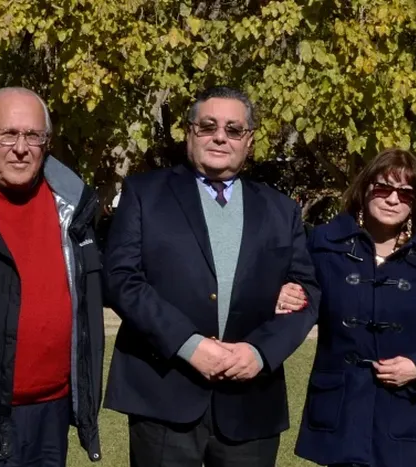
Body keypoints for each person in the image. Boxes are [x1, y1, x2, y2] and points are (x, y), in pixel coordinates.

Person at [102, 86, 321, 467]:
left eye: (233, 129)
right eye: (208, 126)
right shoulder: (144, 193)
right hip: (164, 393)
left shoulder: (281, 209)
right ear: (189, 132)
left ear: (248, 141)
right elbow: (122, 279)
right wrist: (189, 345)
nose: (220, 137)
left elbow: (307, 294)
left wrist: (260, 352)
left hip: (251, 402)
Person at [287, 148, 416, 467]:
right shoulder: (324, 243)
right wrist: (288, 292)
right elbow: (298, 290)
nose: (393, 199)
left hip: (404, 410)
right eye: (383, 188)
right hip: (340, 409)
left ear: (415, 201)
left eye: (405, 192)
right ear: (365, 188)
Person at [0, 87, 103, 467]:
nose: (21, 148)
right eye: (7, 135)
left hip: (52, 409)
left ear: (46, 143)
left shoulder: (72, 206)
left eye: (33, 136)